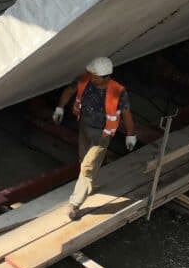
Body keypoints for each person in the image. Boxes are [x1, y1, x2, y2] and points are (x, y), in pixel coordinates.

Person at [53, 57, 137, 221]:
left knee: (87, 167)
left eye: (96, 77)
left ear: (106, 77)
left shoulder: (118, 92)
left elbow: (126, 114)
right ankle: (88, 186)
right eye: (91, 75)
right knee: (83, 161)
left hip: (102, 135)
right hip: (84, 128)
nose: (92, 78)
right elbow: (69, 91)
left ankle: (74, 204)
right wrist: (60, 107)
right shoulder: (84, 80)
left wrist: (131, 134)